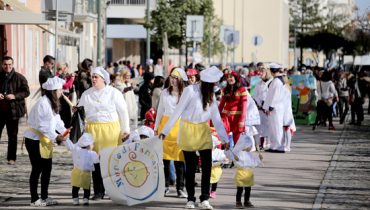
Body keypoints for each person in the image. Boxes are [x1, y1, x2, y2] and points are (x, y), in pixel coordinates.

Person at [159, 66, 230, 210]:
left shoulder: (210, 95)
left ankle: (205, 198)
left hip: (203, 129)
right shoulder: (190, 90)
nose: (214, 87)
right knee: (190, 168)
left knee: (207, 166)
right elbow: (177, 111)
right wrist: (165, 131)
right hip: (187, 130)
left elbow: (216, 118)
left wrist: (225, 139)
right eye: (212, 84)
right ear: (205, 82)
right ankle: (190, 199)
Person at [78, 66, 130, 200]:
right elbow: (80, 112)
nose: (93, 79)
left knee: (110, 161)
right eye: (92, 77)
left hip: (110, 131)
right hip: (93, 131)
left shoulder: (114, 93)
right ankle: (98, 191)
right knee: (95, 162)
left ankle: (114, 190)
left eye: (96, 77)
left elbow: (123, 112)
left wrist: (126, 130)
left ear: (103, 79)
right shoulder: (86, 94)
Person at [24, 76, 69, 206]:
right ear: (53, 91)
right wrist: (57, 137)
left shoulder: (52, 103)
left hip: (45, 139)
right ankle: (34, 199)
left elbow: (57, 121)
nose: (62, 92)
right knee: (37, 168)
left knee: (47, 168)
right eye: (60, 90)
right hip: (34, 140)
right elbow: (43, 126)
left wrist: (65, 132)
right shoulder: (43, 103)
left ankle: (44, 196)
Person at [154, 67, 188, 198]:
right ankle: (165, 186)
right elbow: (160, 111)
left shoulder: (185, 93)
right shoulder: (164, 93)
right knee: (165, 160)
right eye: (171, 77)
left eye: (175, 78)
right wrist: (156, 128)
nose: (172, 80)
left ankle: (180, 188)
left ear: (180, 80)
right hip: (165, 127)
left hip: (180, 127)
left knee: (180, 161)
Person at [0, 56, 30, 165]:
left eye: (9, 64)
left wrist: (15, 96)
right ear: (2, 65)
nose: (7, 66)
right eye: (5, 64)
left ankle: (11, 158)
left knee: (12, 136)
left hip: (13, 111)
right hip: (0, 110)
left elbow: (26, 92)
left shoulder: (19, 77)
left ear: (12, 65)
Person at [62, 133, 99, 206]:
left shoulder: (76, 149)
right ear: (89, 145)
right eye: (92, 144)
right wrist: (99, 156)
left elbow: (69, 145)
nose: (93, 145)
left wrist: (65, 139)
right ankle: (86, 199)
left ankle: (75, 199)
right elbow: (96, 161)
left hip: (76, 171)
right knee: (86, 188)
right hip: (86, 173)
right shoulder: (92, 153)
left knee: (75, 187)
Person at [226, 135, 262, 209]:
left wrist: (259, 159)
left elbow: (254, 163)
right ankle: (238, 202)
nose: (250, 147)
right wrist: (228, 151)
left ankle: (247, 201)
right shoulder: (238, 153)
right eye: (249, 146)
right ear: (244, 145)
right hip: (241, 173)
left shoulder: (250, 154)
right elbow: (230, 155)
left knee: (248, 189)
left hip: (249, 174)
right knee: (240, 189)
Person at [262, 63, 286, 152]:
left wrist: (270, 108)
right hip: (276, 107)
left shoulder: (276, 81)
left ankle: (278, 146)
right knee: (274, 127)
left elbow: (275, 96)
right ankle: (274, 145)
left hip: (275, 108)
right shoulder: (278, 80)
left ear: (272, 71)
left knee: (276, 127)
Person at [218, 70, 247, 144]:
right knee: (224, 139)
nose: (229, 78)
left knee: (237, 140)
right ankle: (226, 154)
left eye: (231, 77)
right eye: (227, 77)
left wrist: (242, 120)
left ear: (236, 78)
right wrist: (217, 116)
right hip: (226, 117)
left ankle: (237, 154)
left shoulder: (242, 90)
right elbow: (221, 104)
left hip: (237, 118)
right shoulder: (225, 90)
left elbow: (244, 106)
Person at [252, 67, 273, 150]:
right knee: (260, 127)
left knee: (270, 127)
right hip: (260, 109)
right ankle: (260, 144)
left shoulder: (272, 82)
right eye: (259, 72)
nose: (259, 74)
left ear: (266, 73)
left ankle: (270, 144)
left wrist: (267, 105)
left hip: (270, 109)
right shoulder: (259, 84)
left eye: (261, 72)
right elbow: (255, 95)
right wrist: (259, 103)